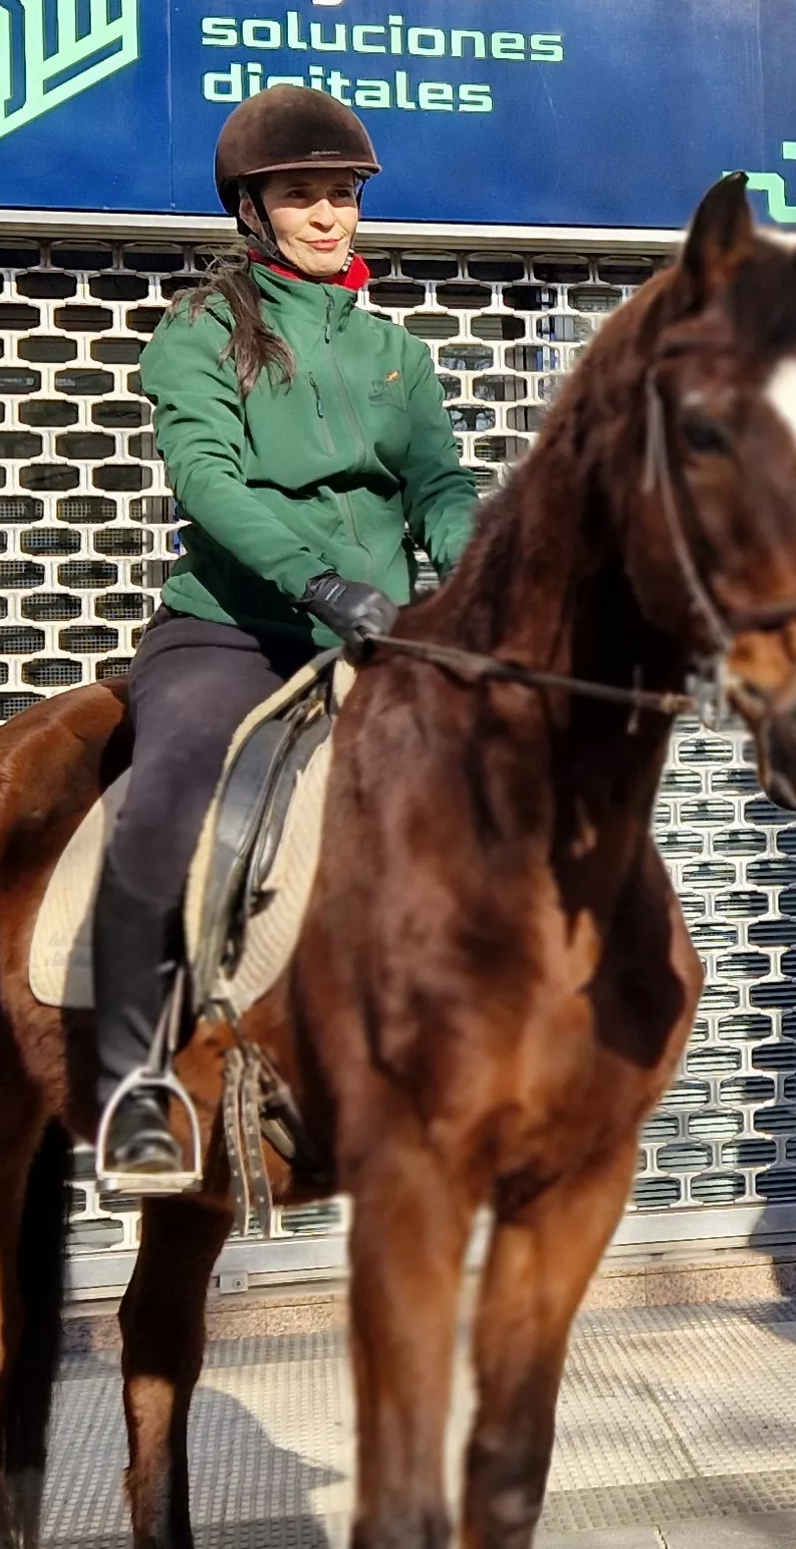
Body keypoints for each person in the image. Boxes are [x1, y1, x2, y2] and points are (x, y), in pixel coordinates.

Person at [95, 85, 479, 1189]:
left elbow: (438, 486)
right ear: (252, 211)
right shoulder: (200, 331)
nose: (325, 215)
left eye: (340, 195)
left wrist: (473, 574)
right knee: (166, 803)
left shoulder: (396, 351)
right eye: (301, 195)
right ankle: (134, 1082)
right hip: (235, 632)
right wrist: (315, 580)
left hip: (381, 635)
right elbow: (207, 479)